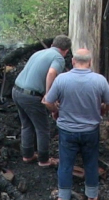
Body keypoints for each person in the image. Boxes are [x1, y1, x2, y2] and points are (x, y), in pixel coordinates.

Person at [43, 49, 109, 200]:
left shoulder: (62, 79)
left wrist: (56, 111)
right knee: (90, 162)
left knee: (65, 163)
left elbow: (48, 101)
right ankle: (92, 196)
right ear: (90, 62)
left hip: (67, 131)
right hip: (90, 130)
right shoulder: (99, 80)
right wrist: (101, 110)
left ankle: (64, 198)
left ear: (73, 61)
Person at [12, 35, 71, 167]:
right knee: (42, 128)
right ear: (66, 50)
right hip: (31, 96)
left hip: (16, 91)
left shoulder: (39, 53)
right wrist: (49, 95)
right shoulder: (58, 58)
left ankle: (27, 155)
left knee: (26, 124)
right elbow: (51, 73)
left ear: (53, 44)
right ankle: (44, 160)